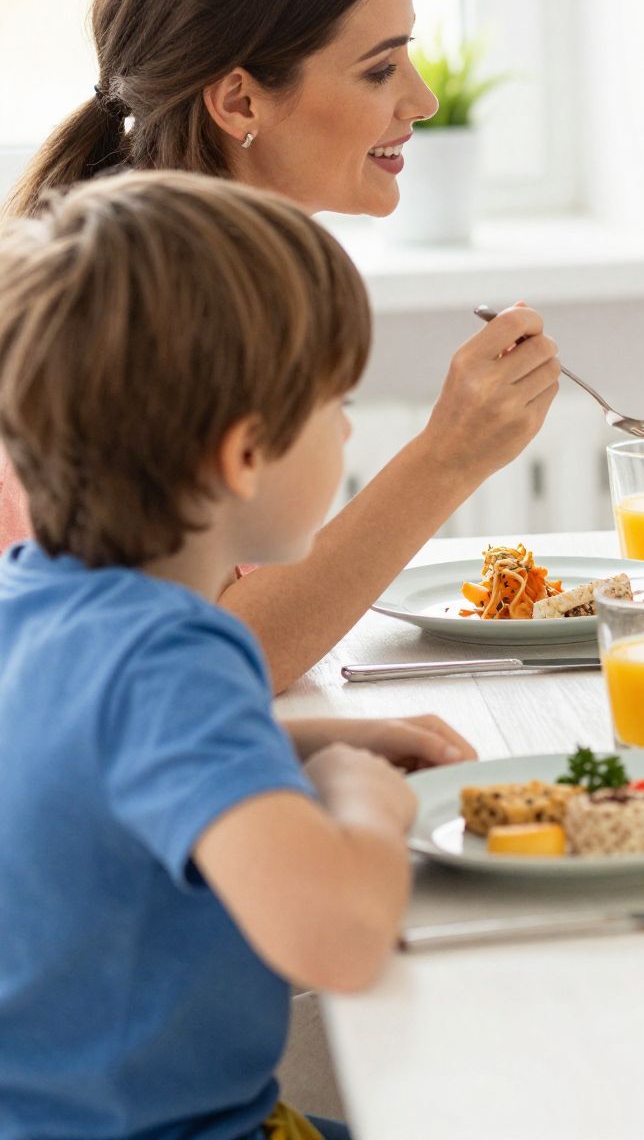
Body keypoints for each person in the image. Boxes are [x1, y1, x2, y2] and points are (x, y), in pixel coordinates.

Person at [0, 0, 561, 687]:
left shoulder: (216, 274)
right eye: (379, 68)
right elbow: (193, 670)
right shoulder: (133, 313)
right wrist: (450, 454)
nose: (423, 100)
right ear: (239, 102)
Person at [0, 172, 472, 1140]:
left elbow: (98, 779)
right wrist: (359, 796)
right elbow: (338, 937)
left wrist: (308, 741)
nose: (347, 428)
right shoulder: (171, 653)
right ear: (244, 454)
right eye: (334, 402)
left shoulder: (32, 602)